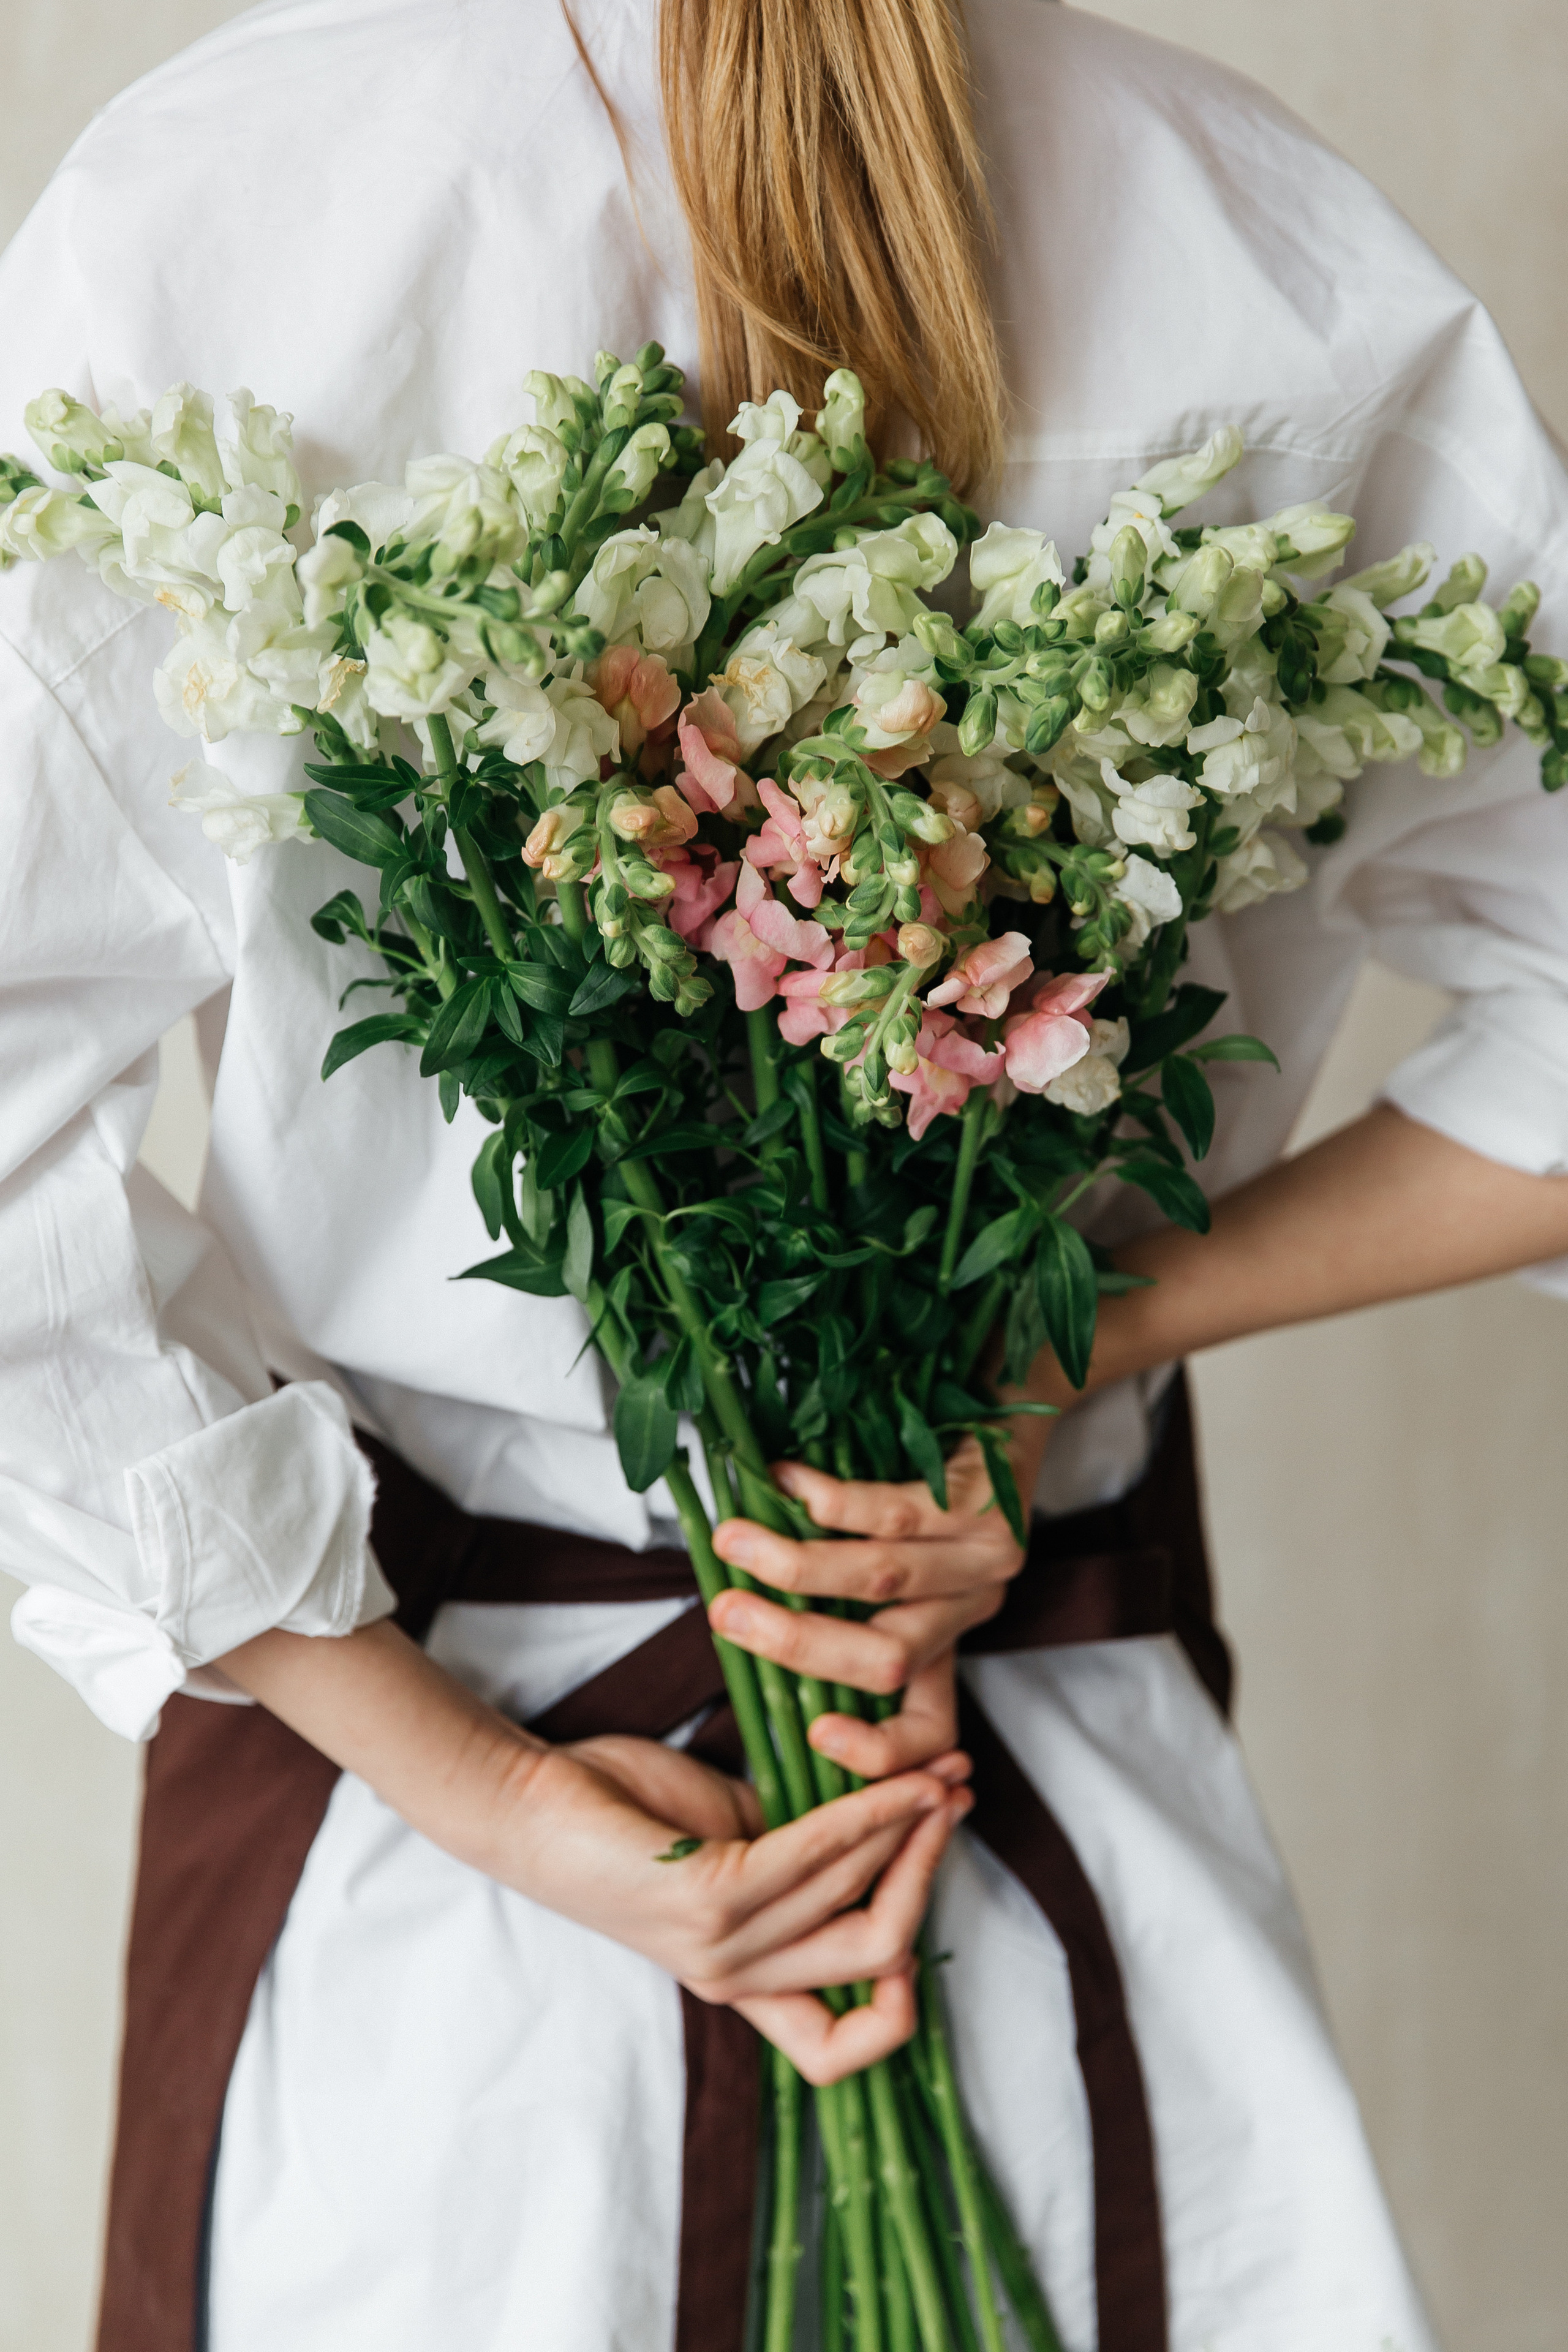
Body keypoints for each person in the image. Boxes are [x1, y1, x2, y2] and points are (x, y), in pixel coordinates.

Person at [2, 1, 1567, 2345]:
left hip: (445, 1950)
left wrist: (480, 1794)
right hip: (1038, 1808)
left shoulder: (227, 204)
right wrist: (1045, 1360)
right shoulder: (1260, 238)